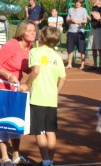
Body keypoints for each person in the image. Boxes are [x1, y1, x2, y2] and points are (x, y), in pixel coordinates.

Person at [0, 20, 36, 166]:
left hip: (15, 86)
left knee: (16, 121)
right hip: (0, 85)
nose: (33, 33)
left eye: (34, 30)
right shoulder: (11, 45)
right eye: (29, 30)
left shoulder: (30, 46)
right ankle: (5, 158)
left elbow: (25, 68)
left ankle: (16, 156)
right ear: (22, 33)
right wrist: (9, 75)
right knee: (3, 121)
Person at [19, 26, 66, 166]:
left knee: (39, 131)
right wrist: (56, 92)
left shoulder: (35, 51)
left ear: (43, 37)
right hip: (51, 97)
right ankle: (50, 161)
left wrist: (27, 84)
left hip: (38, 96)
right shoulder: (57, 56)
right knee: (50, 131)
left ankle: (46, 161)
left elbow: (36, 70)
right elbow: (63, 78)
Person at [65, 0, 88, 69]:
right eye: (76, 2)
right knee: (70, 49)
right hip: (71, 32)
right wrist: (70, 20)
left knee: (82, 49)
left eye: (79, 2)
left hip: (79, 32)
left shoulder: (83, 10)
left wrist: (77, 22)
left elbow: (85, 21)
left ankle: (82, 65)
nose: (77, 3)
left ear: (81, 3)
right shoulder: (70, 10)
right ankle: (69, 64)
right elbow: (67, 20)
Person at [87, 0, 101, 70]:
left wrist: (98, 17)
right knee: (93, 48)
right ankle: (95, 64)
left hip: (100, 29)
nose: (94, 0)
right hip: (93, 28)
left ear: (100, 0)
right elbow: (92, 19)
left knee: (100, 48)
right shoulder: (94, 8)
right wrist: (87, 17)